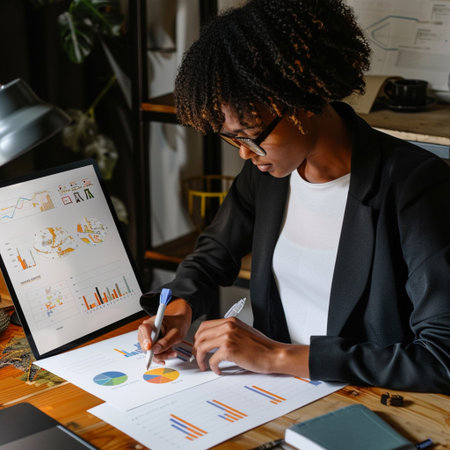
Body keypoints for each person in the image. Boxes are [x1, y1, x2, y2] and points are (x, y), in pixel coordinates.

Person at [138, 0, 450, 394]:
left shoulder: (415, 185)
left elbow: (442, 357)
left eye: (252, 133)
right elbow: (214, 252)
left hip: (368, 401)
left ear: (306, 95)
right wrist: (181, 306)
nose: (244, 152)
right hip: (274, 396)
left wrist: (278, 357)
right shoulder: (269, 174)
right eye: (231, 137)